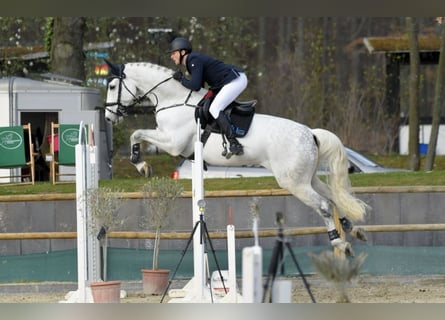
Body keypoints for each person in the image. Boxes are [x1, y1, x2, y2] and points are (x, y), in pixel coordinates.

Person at [168, 37, 247, 156]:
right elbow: (199, 86)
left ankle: (234, 142)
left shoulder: (193, 59)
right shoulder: (192, 62)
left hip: (235, 80)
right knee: (212, 105)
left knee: (214, 108)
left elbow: (194, 86)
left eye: (173, 53)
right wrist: (183, 80)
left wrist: (181, 79)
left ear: (182, 52)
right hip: (231, 80)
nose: (171, 56)